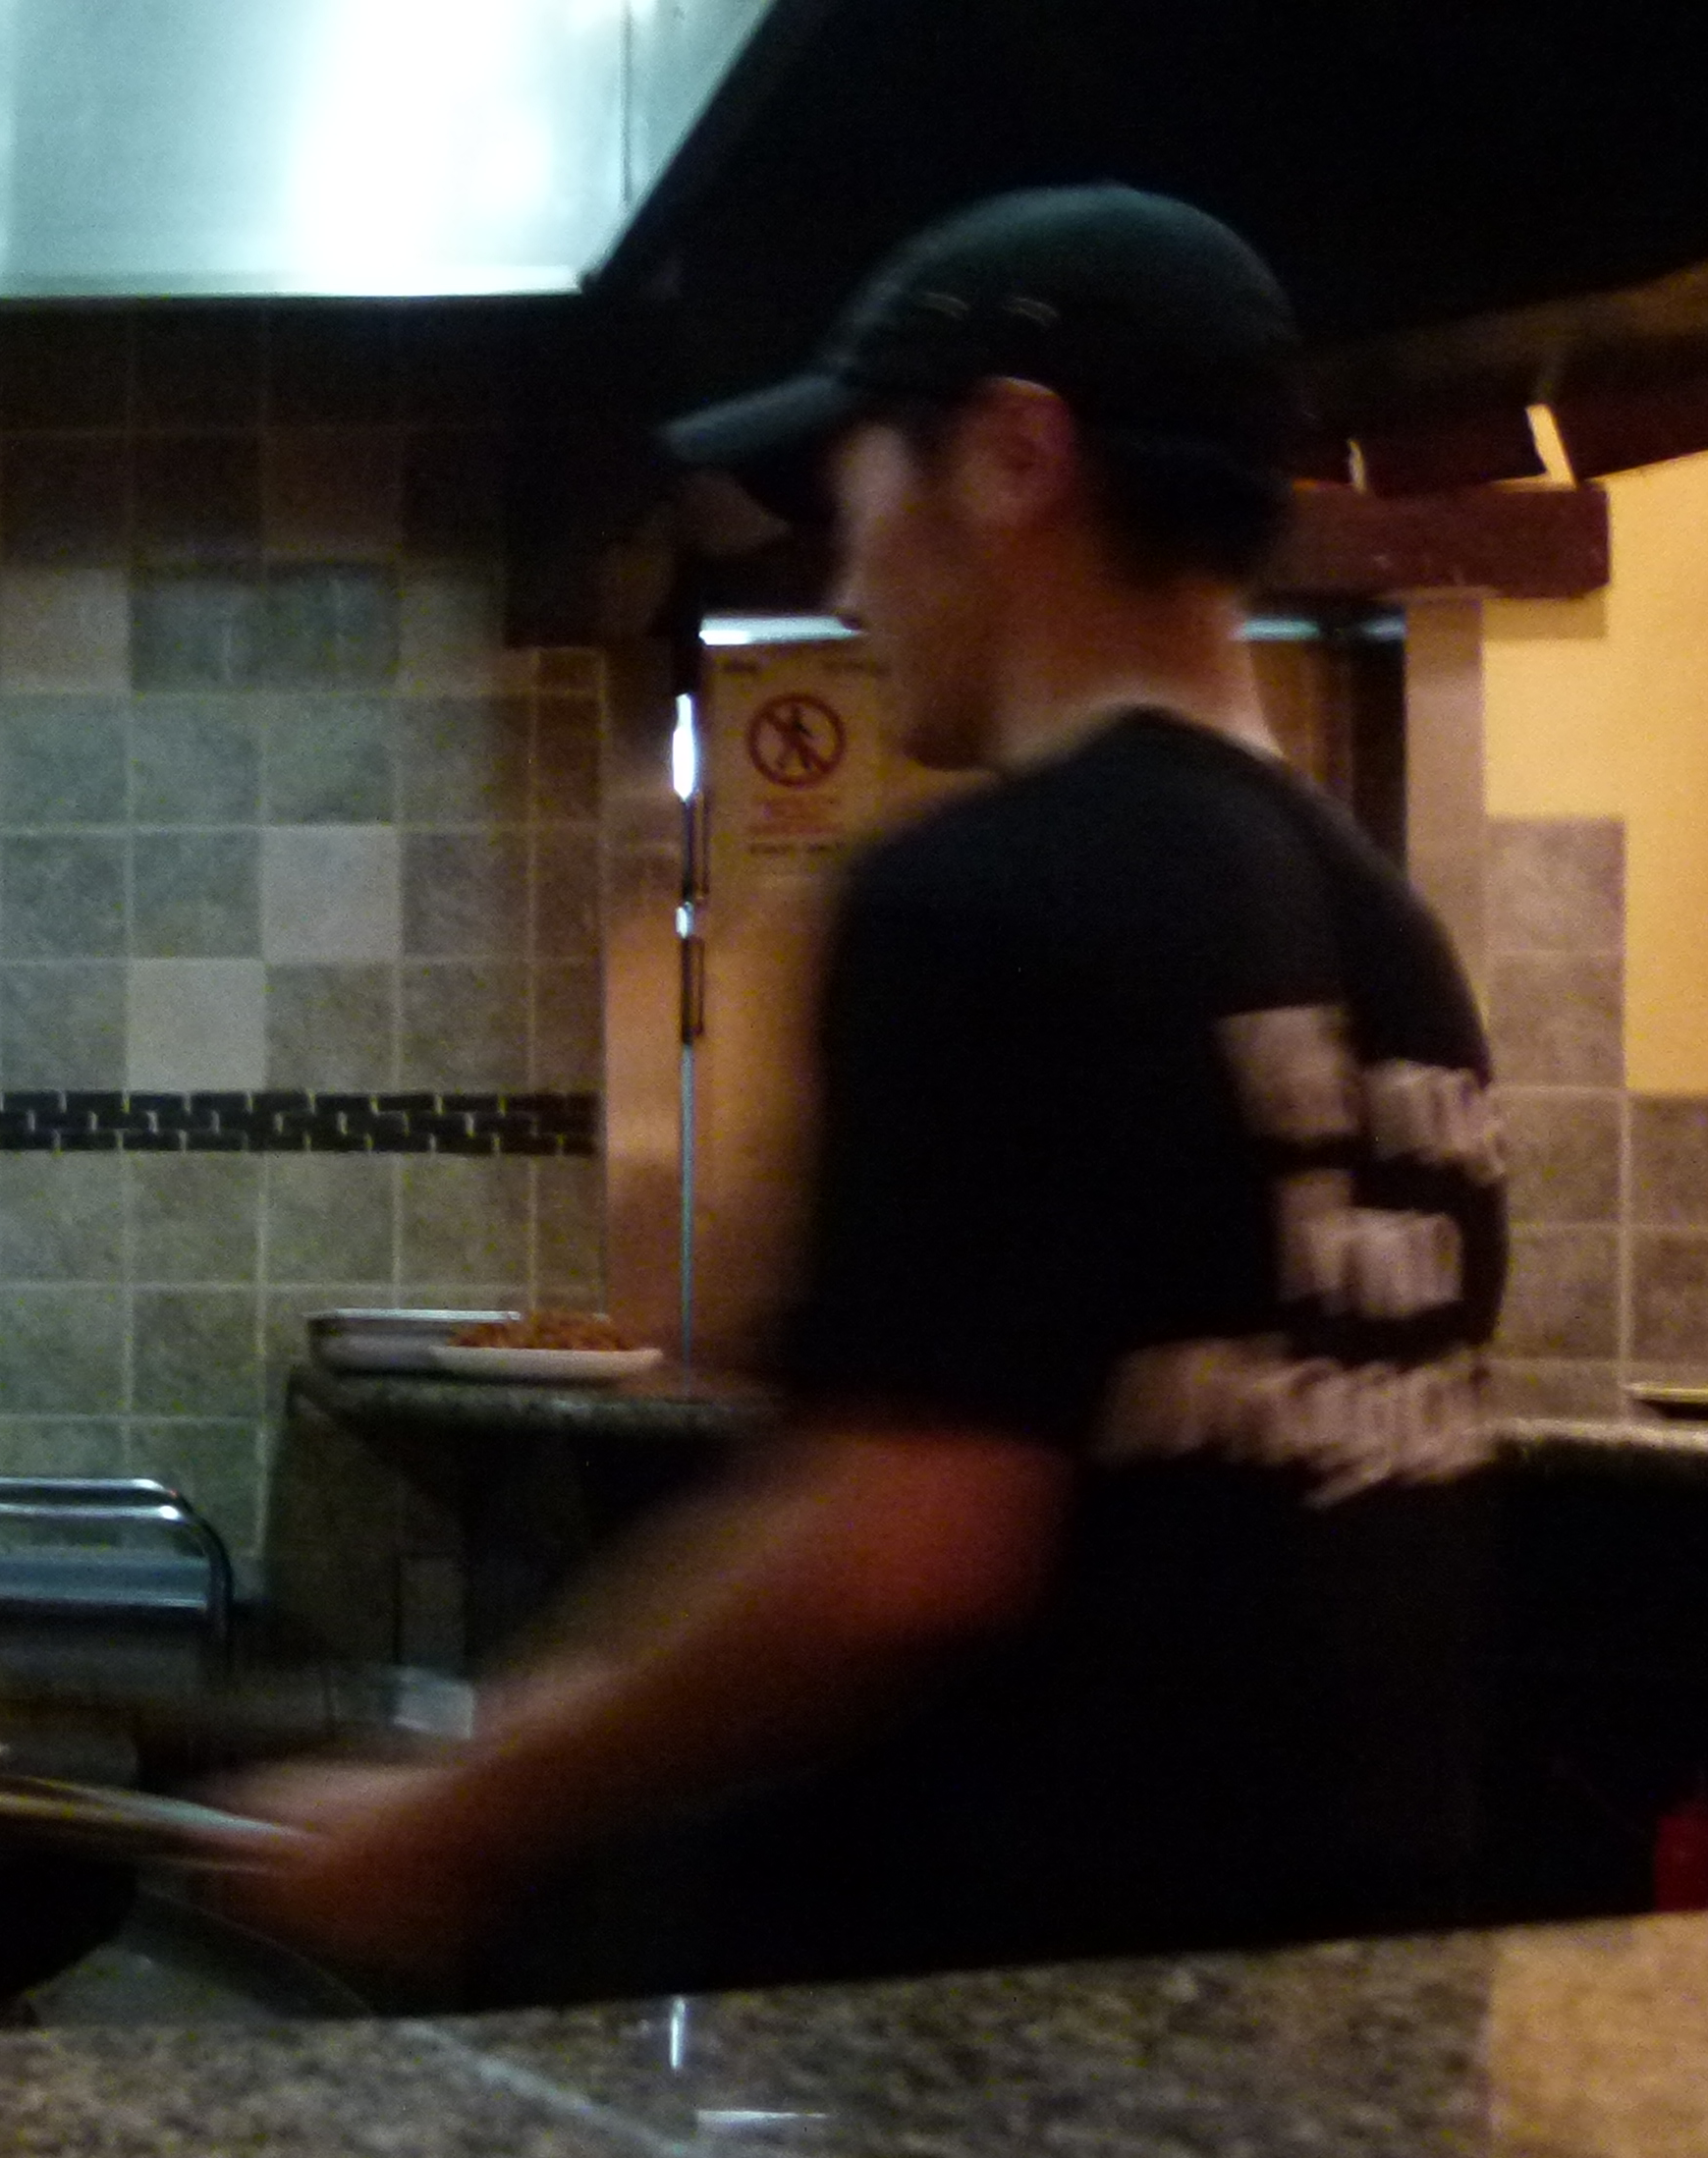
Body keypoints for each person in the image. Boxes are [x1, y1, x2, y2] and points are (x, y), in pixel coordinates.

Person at [236, 188, 1507, 1987]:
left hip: (1018, 2022)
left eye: (858, 502)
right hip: (1342, 2010)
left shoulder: (991, 895)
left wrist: (462, 1808)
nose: (844, 587)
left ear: (1011, 455)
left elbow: (897, 1548)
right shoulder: (1398, 942)